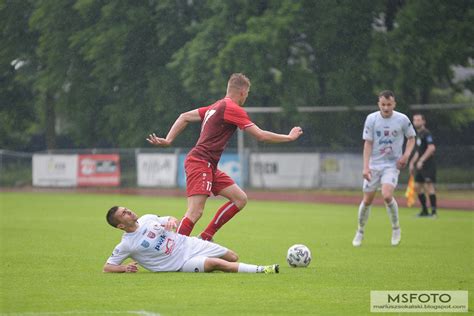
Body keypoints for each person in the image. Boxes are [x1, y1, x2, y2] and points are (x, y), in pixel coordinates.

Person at [146, 73, 303, 241]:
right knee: (195, 211)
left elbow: (184, 116)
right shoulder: (232, 108)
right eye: (247, 93)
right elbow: (261, 136)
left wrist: (169, 139)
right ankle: (170, 250)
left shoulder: (216, 106)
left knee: (240, 199)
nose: (247, 97)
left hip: (209, 165)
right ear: (242, 92)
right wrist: (289, 137)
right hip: (200, 162)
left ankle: (205, 237)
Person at [103, 206, 279, 274]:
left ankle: (203, 247)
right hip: (179, 263)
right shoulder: (126, 244)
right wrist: (124, 268)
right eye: (123, 214)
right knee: (216, 264)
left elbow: (170, 218)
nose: (129, 212)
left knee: (233, 257)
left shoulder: (148, 218)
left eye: (127, 209)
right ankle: (263, 270)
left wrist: (172, 220)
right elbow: (107, 267)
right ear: (120, 226)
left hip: (189, 243)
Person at [352, 90, 416, 247]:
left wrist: (406, 156)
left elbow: (411, 138)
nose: (386, 108)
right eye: (383, 104)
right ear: (378, 104)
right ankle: (360, 231)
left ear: (394, 104)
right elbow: (367, 143)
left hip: (391, 165)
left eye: (389, 104)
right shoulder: (372, 119)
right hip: (374, 165)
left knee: (387, 195)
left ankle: (396, 228)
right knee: (367, 201)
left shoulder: (402, 119)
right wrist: (365, 167)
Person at [409, 113, 437, 217]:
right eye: (414, 120)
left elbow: (431, 148)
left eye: (418, 120)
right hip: (420, 166)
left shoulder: (427, 133)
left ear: (423, 121)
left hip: (428, 165)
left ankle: (433, 212)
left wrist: (421, 160)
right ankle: (424, 210)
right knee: (417, 186)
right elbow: (418, 151)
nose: (416, 122)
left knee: (429, 186)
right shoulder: (418, 135)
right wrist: (412, 162)